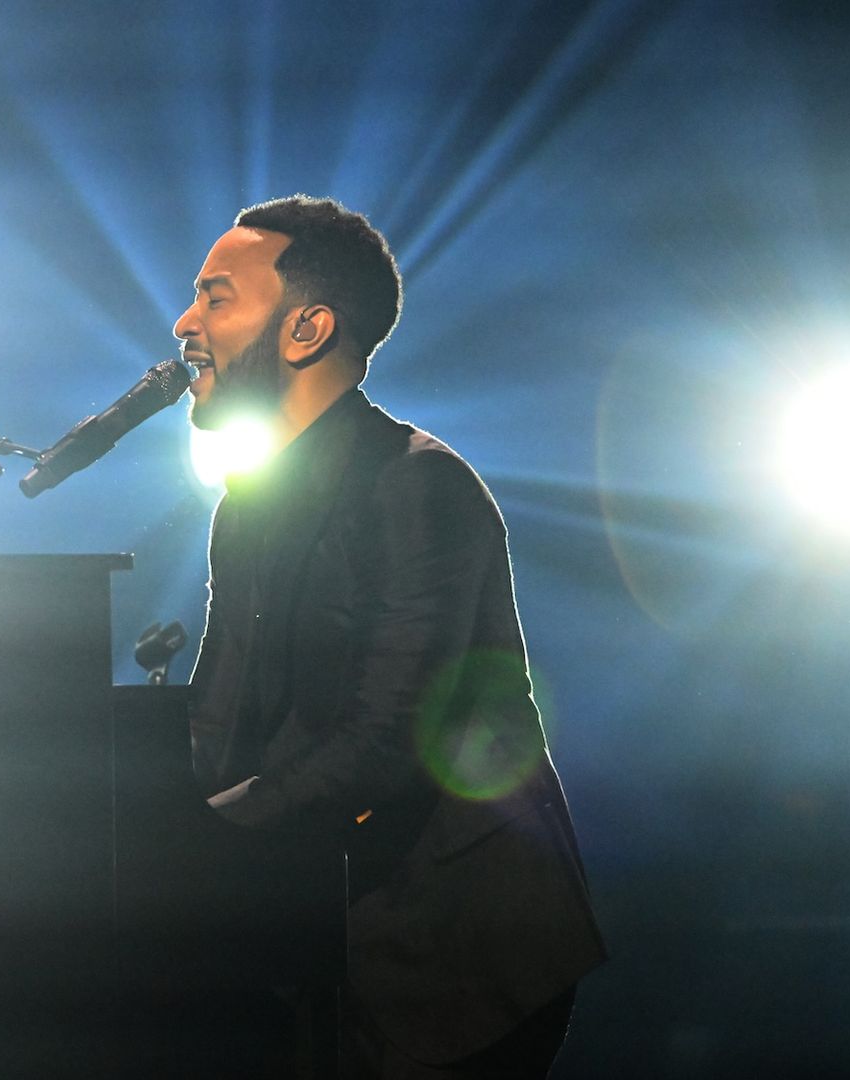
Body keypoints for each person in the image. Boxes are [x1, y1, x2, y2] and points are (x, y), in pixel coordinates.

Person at [176, 195, 607, 1079]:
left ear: (307, 329)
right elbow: (216, 724)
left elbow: (387, 739)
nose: (186, 324)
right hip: (330, 933)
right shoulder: (244, 507)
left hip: (453, 963)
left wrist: (198, 842)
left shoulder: (421, 489)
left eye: (218, 299)